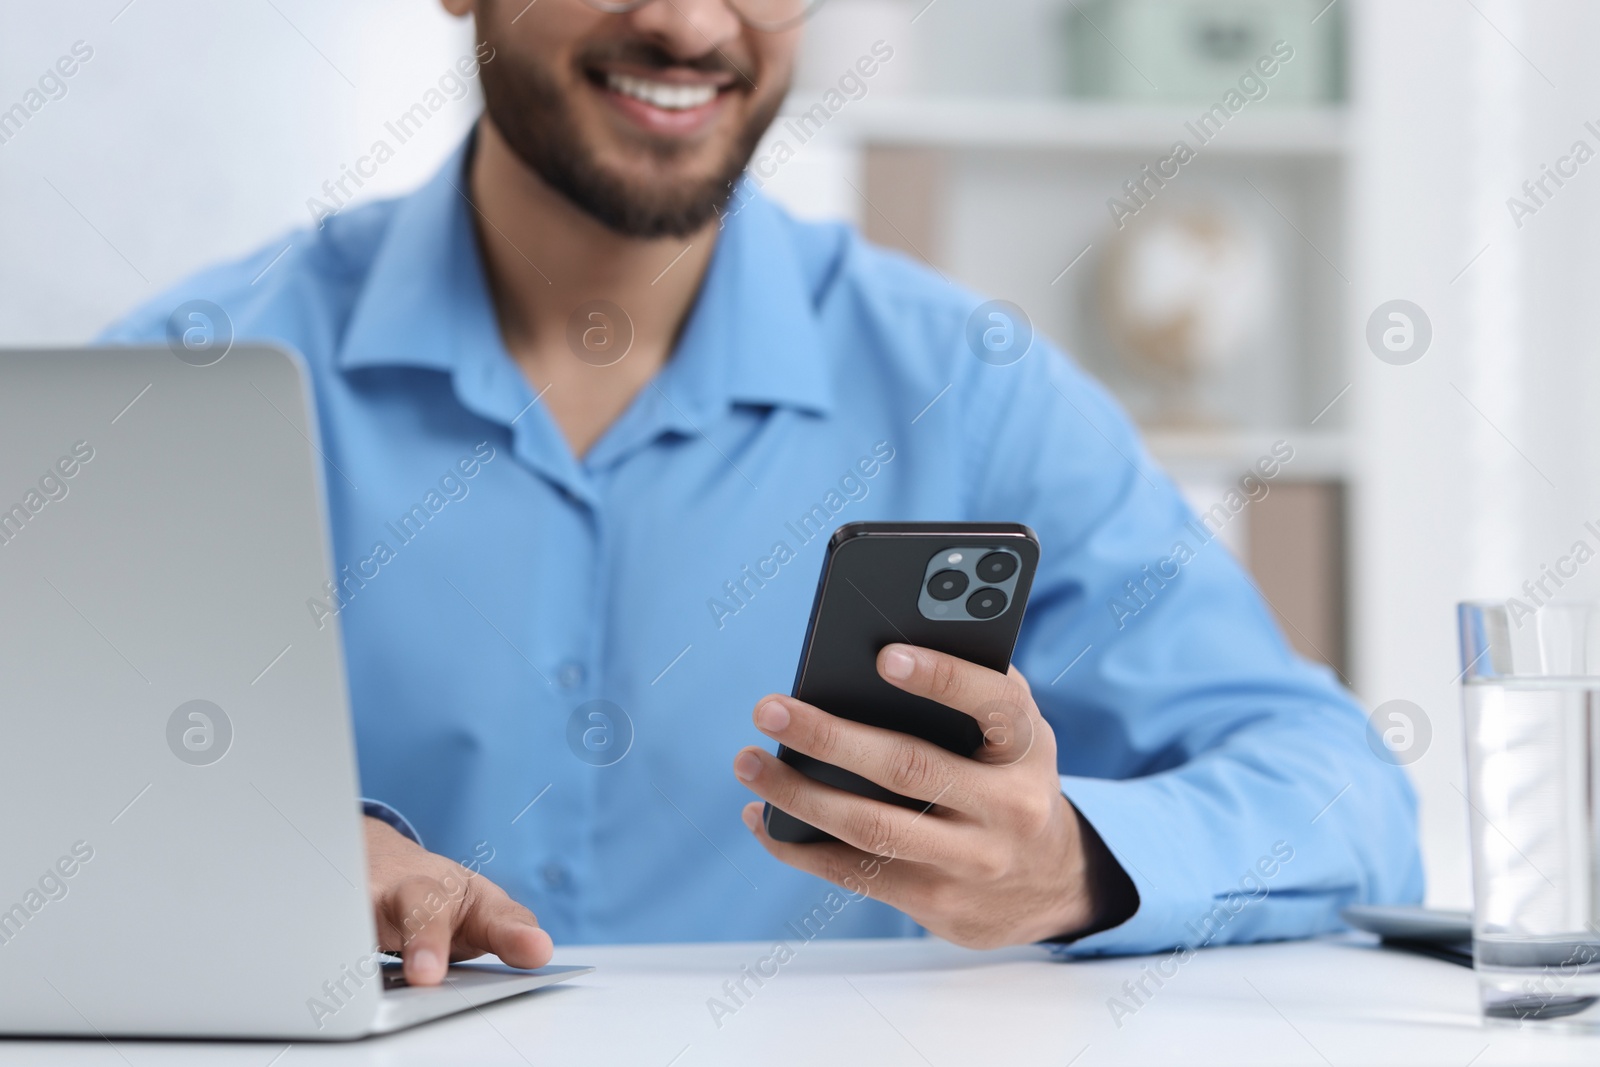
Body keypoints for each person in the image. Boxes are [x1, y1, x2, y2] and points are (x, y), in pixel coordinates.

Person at [101, 0, 1421, 986]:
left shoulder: (968, 389)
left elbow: (1348, 802)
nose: (685, 22)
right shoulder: (183, 387)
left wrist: (1069, 862)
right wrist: (261, 857)